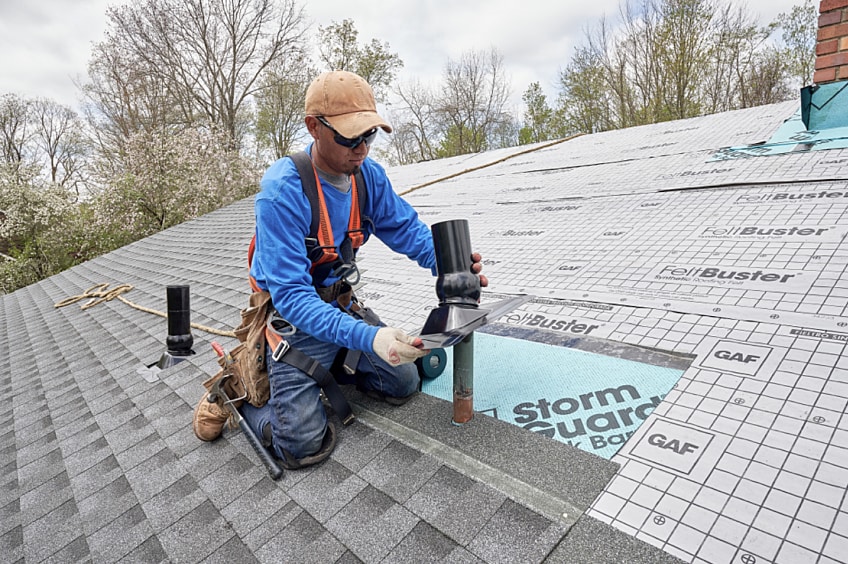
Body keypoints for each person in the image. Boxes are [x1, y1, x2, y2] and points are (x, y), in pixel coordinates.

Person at [193, 70, 486, 468]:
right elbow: (294, 300)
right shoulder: (283, 191)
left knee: (404, 382)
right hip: (295, 323)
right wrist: (370, 338)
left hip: (339, 309)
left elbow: (410, 234)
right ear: (314, 127)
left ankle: (331, 367)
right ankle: (239, 391)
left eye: (369, 136)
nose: (361, 148)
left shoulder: (368, 178)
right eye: (349, 138)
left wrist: (452, 267)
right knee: (300, 444)